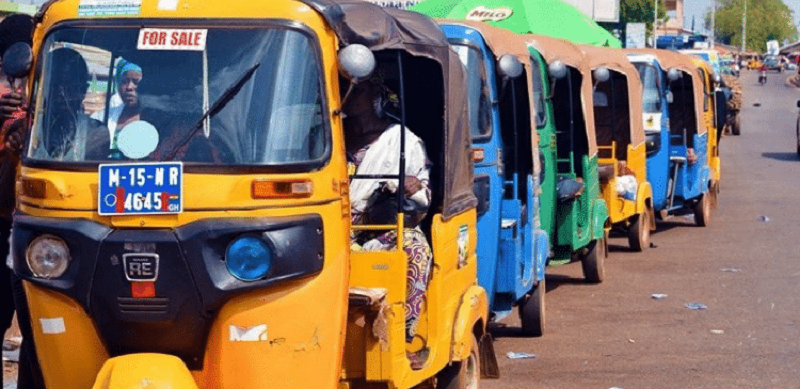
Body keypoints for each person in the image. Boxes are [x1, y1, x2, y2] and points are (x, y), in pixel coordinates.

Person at [343, 71, 433, 346]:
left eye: (356, 91)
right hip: (330, 222)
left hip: (375, 228)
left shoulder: (401, 140)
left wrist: (414, 185)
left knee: (416, 248)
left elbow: (424, 198)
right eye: (342, 90)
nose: (347, 97)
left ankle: (404, 333)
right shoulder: (327, 135)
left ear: (375, 95)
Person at [0, 13, 46, 389]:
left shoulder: (46, 102)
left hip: (33, 227)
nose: (13, 88)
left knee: (39, 331)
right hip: (13, 223)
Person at [28, 47, 109, 161]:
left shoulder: (95, 133)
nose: (61, 94)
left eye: (69, 87)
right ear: (43, 89)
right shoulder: (30, 127)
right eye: (55, 85)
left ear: (83, 91)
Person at [91, 58, 143, 157]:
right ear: (117, 84)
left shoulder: (159, 118)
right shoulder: (101, 118)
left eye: (136, 82)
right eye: (124, 81)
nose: (129, 87)